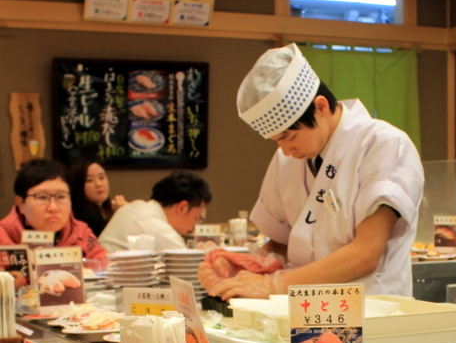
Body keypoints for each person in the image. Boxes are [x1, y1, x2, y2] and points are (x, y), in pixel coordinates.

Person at [198, 43, 423, 301]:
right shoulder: (288, 159)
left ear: (321, 106)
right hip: (304, 309)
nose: (285, 150)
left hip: (371, 310)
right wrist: (246, 266)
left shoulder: (383, 144)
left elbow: (365, 255)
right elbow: (283, 244)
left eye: (289, 137)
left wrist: (274, 284)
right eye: (276, 141)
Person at [0, 158, 107, 263]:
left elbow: (104, 266)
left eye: (61, 197)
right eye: (42, 197)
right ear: (20, 203)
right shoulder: (3, 235)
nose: (53, 207)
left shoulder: (80, 232)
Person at [99, 172, 211, 253]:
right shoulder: (157, 229)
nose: (193, 228)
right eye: (195, 218)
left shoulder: (136, 206)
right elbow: (190, 268)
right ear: (182, 208)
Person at [68, 158, 127, 237]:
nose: (99, 184)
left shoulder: (104, 210)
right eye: (89, 180)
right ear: (78, 185)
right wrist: (121, 214)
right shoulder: (85, 214)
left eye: (101, 177)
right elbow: (112, 242)